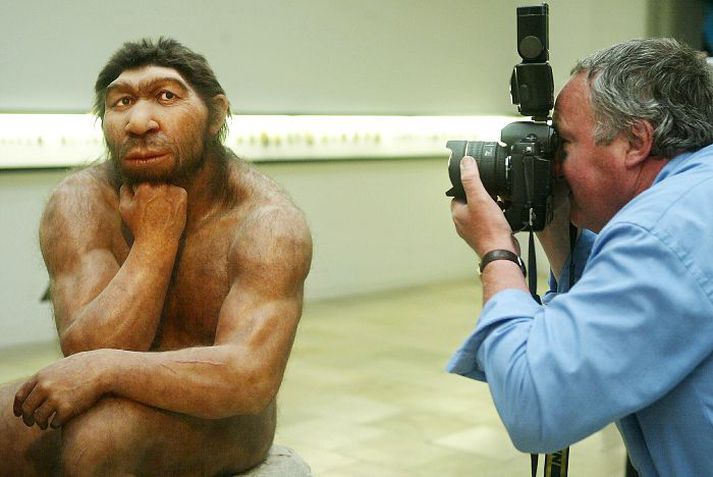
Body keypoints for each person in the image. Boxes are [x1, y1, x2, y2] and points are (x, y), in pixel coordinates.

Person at [0, 37, 313, 476]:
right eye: (121, 102)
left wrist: (106, 368)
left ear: (216, 115)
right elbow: (87, 348)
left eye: (166, 96)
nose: (140, 122)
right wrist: (154, 244)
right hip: (106, 393)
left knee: (100, 440)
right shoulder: (80, 202)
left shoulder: (268, 222)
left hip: (222, 417)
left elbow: (248, 377)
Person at [447, 38, 713, 476]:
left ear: (634, 141)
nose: (555, 166)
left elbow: (536, 406)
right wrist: (555, 221)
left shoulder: (660, 231)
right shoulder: (693, 196)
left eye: (565, 145)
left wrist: (497, 250)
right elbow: (616, 320)